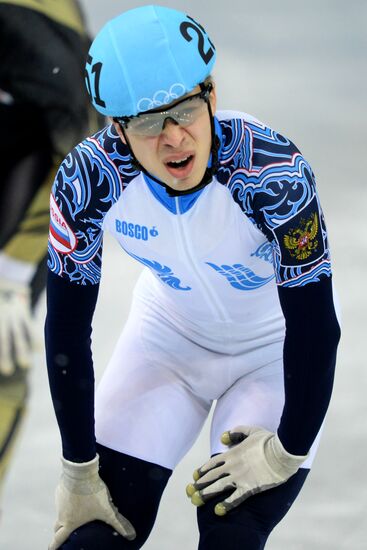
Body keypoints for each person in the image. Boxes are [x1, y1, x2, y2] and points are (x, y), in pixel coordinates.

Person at [45, 5, 341, 550]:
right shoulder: (87, 181)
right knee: (92, 538)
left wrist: (287, 451)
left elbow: (317, 326)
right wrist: (78, 469)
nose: (174, 138)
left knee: (230, 533)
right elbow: (66, 330)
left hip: (272, 356)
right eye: (147, 122)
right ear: (117, 128)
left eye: (184, 110)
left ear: (211, 92)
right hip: (165, 344)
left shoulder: (271, 171)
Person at [0, 0, 101, 497]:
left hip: (36, 161)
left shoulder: (29, 32)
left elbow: (84, 132)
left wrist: (14, 268)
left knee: (1, 352)